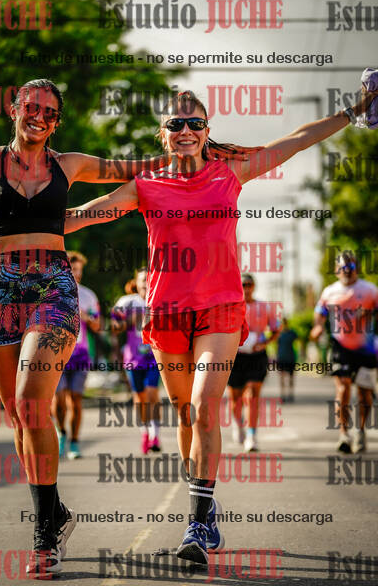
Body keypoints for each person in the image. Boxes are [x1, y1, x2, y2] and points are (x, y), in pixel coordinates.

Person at [64, 84, 378, 564]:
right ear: (163, 134)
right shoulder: (146, 184)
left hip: (220, 309)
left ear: (207, 130)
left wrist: (354, 110)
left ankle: (195, 522)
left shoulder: (229, 172)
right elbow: (84, 215)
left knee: (203, 405)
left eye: (195, 123)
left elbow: (297, 140)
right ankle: (205, 506)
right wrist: (13, 224)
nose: (186, 130)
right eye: (176, 124)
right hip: (166, 312)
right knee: (185, 415)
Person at [0, 78, 173, 579]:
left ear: (57, 121)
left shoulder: (70, 164)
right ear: (14, 109)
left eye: (49, 111)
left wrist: (189, 148)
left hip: (52, 286)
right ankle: (56, 512)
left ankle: (44, 533)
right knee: (19, 418)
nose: (39, 116)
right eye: (30, 107)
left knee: (30, 403)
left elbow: (131, 168)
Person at [311, 252, 378, 454]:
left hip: (365, 348)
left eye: (350, 268)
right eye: (342, 268)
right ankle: (344, 434)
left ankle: (360, 430)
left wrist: (368, 314)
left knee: (365, 394)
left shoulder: (370, 290)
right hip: (340, 346)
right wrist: (318, 327)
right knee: (343, 388)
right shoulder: (330, 291)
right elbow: (320, 313)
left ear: (357, 269)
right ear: (336, 271)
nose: (347, 272)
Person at [52, 251, 100, 460]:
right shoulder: (52, 292)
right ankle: (61, 432)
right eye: (73, 269)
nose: (77, 274)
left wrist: (85, 316)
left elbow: (98, 325)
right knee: (59, 399)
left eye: (79, 270)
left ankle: (74, 442)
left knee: (75, 400)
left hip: (80, 355)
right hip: (56, 354)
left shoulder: (89, 296)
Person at [112, 267, 162, 454]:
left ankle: (155, 434)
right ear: (137, 283)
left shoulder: (160, 300)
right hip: (133, 358)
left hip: (154, 356)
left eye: (149, 280)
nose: (146, 284)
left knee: (152, 392)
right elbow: (114, 327)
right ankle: (144, 432)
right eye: (143, 280)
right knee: (140, 398)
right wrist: (131, 319)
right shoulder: (127, 302)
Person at [227, 274, 279, 452]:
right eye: (243, 285)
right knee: (235, 398)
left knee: (252, 394)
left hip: (257, 356)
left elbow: (276, 329)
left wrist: (264, 343)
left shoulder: (264, 307)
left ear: (254, 287)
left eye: (249, 284)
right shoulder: (232, 307)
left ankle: (251, 435)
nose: (246, 288)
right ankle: (238, 424)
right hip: (236, 356)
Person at [277, 317, 298, 403]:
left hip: (290, 357)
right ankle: (283, 395)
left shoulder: (291, 333)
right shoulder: (279, 334)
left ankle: (290, 394)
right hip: (282, 358)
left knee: (291, 378)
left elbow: (297, 339)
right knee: (282, 378)